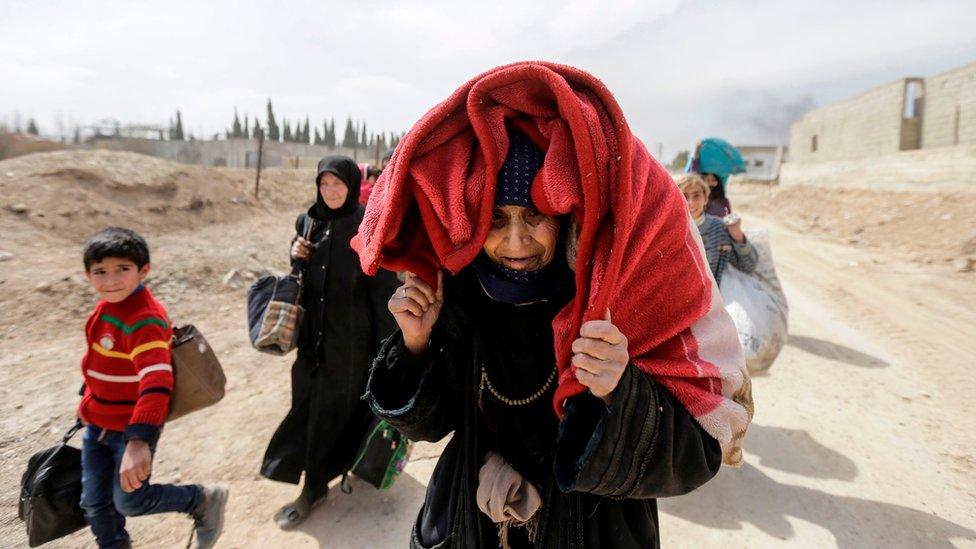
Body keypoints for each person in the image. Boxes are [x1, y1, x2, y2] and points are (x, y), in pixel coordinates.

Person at [357, 62, 752, 546]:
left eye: (535, 216)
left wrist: (618, 391)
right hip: (469, 516)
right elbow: (429, 426)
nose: (515, 241)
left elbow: (694, 456)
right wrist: (416, 345)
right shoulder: (461, 291)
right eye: (497, 218)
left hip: (593, 527)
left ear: (565, 213)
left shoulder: (616, 300)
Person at [260, 155, 399, 529]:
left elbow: (384, 290)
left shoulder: (367, 227)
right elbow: (300, 278)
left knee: (328, 415)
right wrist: (295, 255)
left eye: (338, 183)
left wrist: (389, 350)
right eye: (324, 184)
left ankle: (313, 490)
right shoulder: (309, 223)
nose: (331, 191)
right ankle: (328, 473)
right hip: (311, 343)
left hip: (350, 346)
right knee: (306, 407)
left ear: (352, 185)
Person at [77, 227, 227, 549]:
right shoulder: (105, 309)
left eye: (123, 269)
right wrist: (87, 405)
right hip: (97, 427)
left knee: (130, 501)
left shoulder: (143, 319)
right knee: (95, 503)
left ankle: (200, 500)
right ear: (88, 275)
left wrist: (138, 442)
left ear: (144, 270)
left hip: (130, 430)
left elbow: (156, 381)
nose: (111, 280)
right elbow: (101, 364)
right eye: (100, 271)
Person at [677, 173, 758, 286]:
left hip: (710, 299)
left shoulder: (718, 228)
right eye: (684, 196)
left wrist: (738, 236)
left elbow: (748, 266)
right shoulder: (670, 230)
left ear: (705, 199)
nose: (691, 202)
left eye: (697, 196)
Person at [685, 137, 746, 217]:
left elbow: (729, 218)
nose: (710, 182)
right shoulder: (701, 200)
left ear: (718, 182)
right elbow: (693, 174)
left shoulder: (724, 201)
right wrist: (696, 153)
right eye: (708, 179)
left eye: (713, 179)